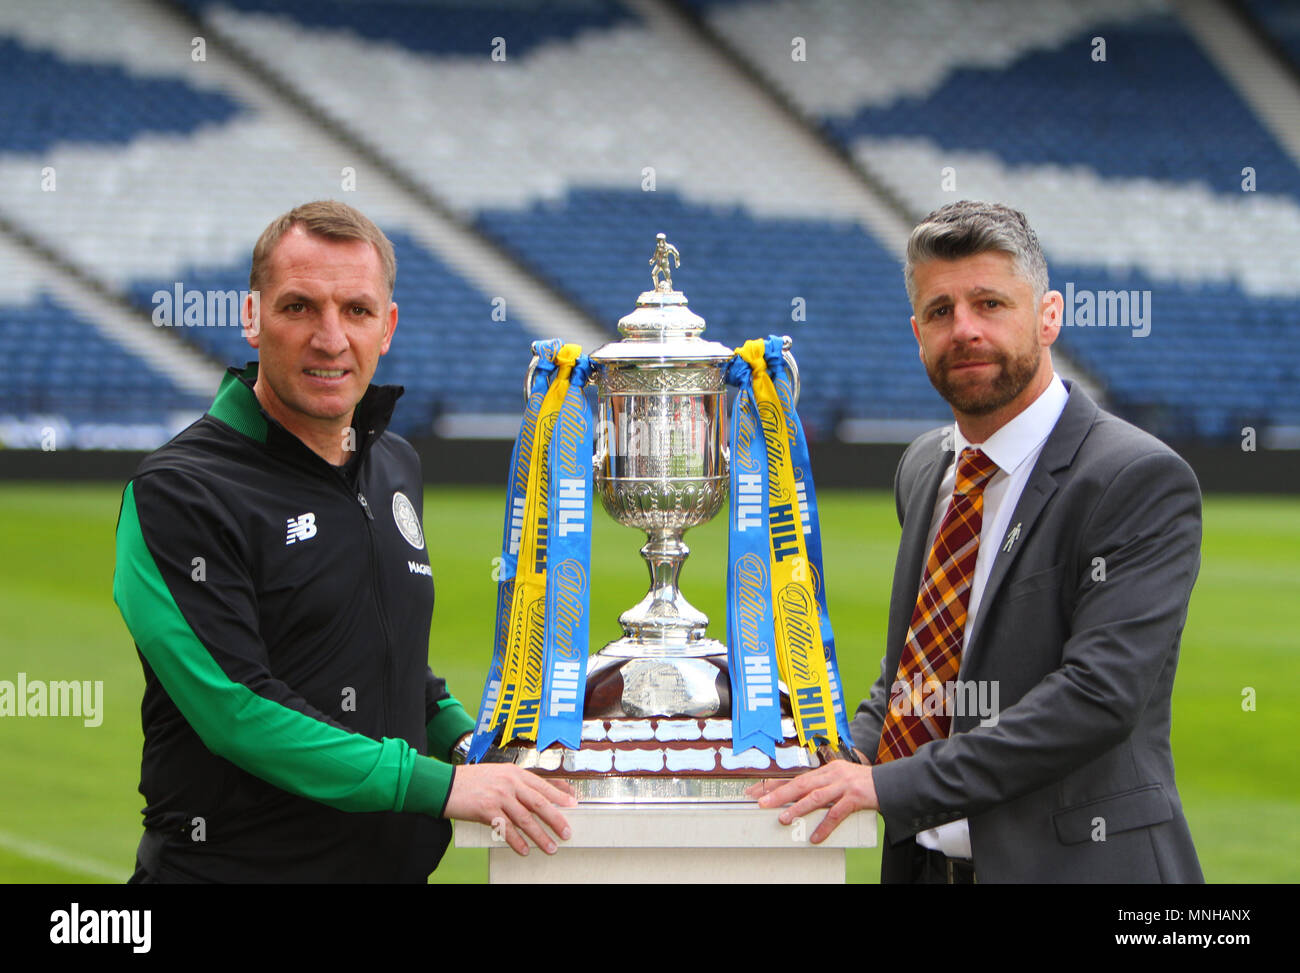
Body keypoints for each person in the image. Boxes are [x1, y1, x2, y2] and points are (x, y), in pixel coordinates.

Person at [113, 200, 574, 882]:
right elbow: (236, 709)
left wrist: (479, 745)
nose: (330, 339)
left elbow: (386, 666)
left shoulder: (394, 462)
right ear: (251, 316)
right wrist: (441, 787)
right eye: (300, 307)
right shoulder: (179, 491)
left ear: (386, 327)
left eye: (356, 311)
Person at [750, 200, 1203, 883]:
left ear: (1048, 315)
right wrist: (822, 756)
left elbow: (1097, 696)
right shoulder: (923, 467)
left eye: (990, 304)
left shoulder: (1134, 477)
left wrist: (889, 787)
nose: (964, 330)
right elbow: (917, 674)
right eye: (941, 312)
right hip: (928, 867)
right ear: (917, 331)